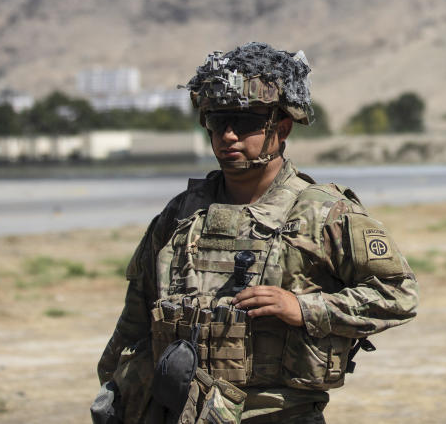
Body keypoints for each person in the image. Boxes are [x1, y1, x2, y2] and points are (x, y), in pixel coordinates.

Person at [94, 43, 419, 424]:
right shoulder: (181, 214)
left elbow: (399, 294)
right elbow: (136, 317)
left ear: (280, 129)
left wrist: (304, 309)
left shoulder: (323, 213)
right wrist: (115, 389)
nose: (228, 136)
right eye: (217, 122)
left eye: (245, 123)